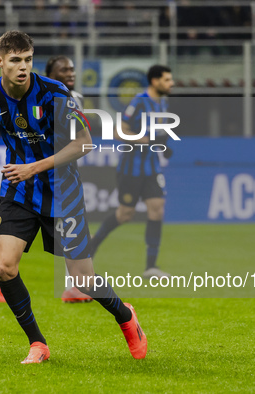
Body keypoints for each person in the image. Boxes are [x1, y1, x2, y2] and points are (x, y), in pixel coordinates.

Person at [0, 31, 146, 364]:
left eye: (28, 60)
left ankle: (125, 316)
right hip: (18, 190)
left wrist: (33, 167)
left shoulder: (55, 93)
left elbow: (83, 143)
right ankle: (38, 344)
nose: (23, 67)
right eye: (15, 61)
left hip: (62, 192)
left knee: (83, 278)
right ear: (0, 62)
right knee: (4, 267)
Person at [0, 55, 92, 304]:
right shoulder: (35, 96)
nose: (71, 73)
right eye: (64, 69)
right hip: (35, 182)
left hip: (61, 177)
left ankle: (75, 287)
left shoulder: (72, 99)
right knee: (21, 251)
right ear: (49, 73)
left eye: (72, 69)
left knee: (74, 241)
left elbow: (80, 141)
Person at [89, 65, 174, 279]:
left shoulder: (163, 102)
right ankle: (90, 248)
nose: (171, 83)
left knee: (157, 208)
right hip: (131, 169)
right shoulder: (138, 102)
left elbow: (157, 133)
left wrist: (164, 145)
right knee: (124, 214)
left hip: (152, 167)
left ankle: (150, 267)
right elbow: (119, 132)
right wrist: (147, 140)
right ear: (154, 81)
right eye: (167, 80)